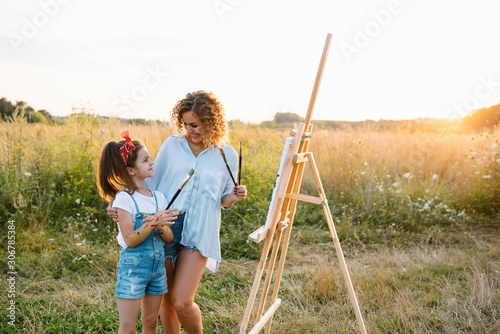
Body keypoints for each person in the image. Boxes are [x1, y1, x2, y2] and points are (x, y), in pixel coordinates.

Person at [107, 90, 248, 333]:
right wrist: (121, 204)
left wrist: (232, 198)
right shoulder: (172, 145)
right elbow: (147, 183)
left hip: (200, 229)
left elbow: (223, 200)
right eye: (185, 124)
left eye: (196, 125)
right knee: (167, 301)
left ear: (212, 122)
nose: (190, 131)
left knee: (182, 301)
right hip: (166, 226)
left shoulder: (227, 154)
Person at [97, 131, 179, 334]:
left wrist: (162, 226)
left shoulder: (159, 197)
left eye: (149, 158)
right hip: (134, 269)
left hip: (157, 269)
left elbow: (169, 238)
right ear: (131, 171)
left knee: (151, 323)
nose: (152, 163)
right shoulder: (124, 199)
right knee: (128, 327)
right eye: (145, 160)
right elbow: (130, 240)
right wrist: (151, 224)